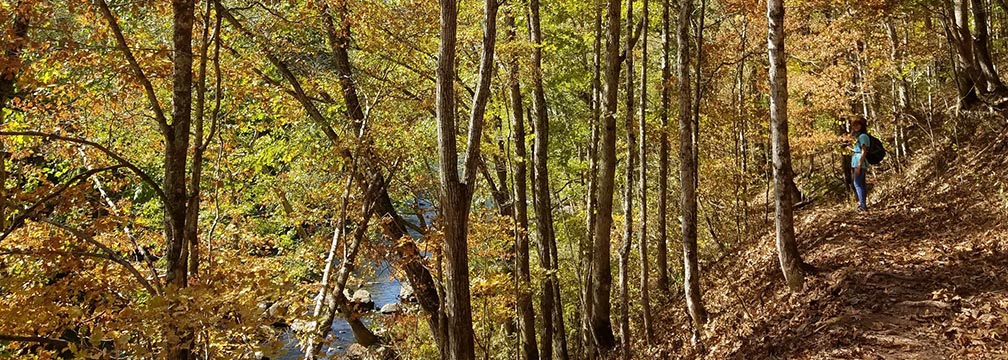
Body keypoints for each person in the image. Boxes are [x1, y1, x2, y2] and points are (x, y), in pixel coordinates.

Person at [850, 117, 870, 211]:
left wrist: (859, 165)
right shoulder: (860, 136)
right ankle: (863, 204)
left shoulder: (863, 136)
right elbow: (859, 150)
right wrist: (851, 149)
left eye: (858, 125)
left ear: (862, 126)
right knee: (861, 183)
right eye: (854, 125)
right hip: (858, 161)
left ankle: (862, 205)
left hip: (860, 163)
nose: (855, 127)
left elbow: (864, 151)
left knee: (857, 183)